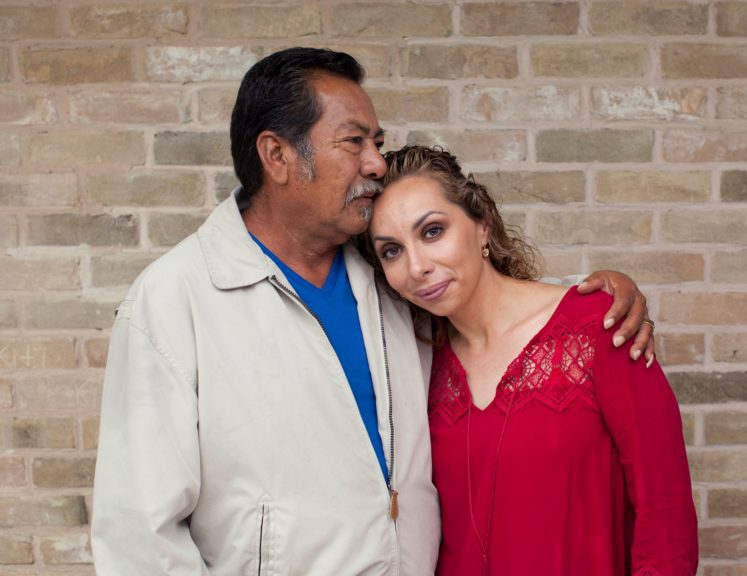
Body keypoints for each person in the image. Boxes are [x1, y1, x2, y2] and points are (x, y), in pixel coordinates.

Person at [91, 48, 653, 575]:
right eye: (354, 142)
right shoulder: (175, 299)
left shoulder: (388, 276)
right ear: (277, 156)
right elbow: (140, 537)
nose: (376, 163)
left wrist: (592, 297)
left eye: (377, 143)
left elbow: (489, 312)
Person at [363, 145, 698, 576]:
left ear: (482, 224)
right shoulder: (417, 363)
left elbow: (666, 513)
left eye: (432, 232)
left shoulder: (599, 327)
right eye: (392, 251)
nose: (417, 267)